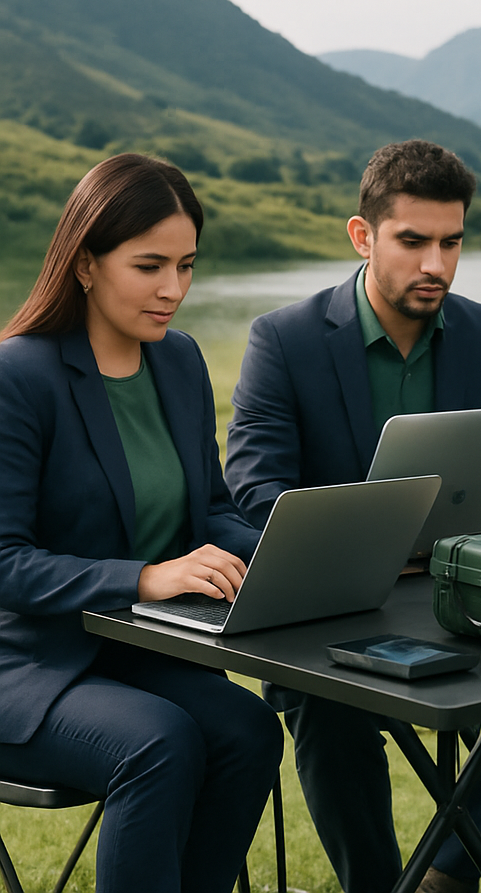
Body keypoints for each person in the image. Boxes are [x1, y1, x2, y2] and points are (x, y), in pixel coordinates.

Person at [225, 139, 481, 893]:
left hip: (460, 594)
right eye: (414, 241)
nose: (437, 265)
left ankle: (446, 878)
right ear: (364, 236)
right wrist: (370, 548)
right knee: (328, 712)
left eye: (452, 242)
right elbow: (255, 489)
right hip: (334, 610)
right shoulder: (282, 341)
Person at [0, 154, 283, 893]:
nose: (173, 290)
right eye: (150, 265)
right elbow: (4, 560)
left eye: (186, 265)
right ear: (86, 263)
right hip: (26, 664)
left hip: (134, 651)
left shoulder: (179, 361)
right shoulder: (18, 376)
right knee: (159, 743)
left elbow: (211, 510)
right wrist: (148, 577)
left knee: (249, 730)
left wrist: (298, 550)